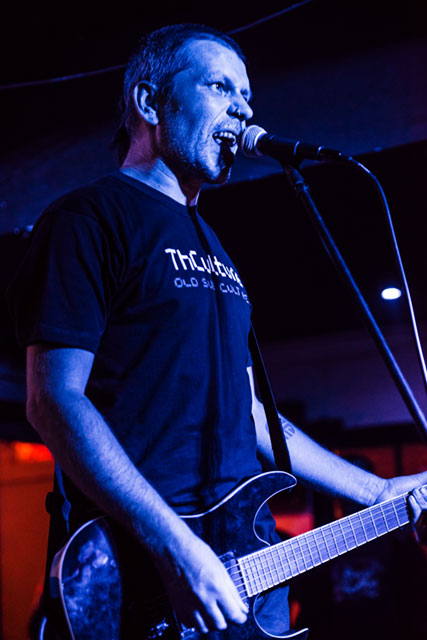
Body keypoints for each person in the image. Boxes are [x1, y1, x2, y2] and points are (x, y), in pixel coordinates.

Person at [6, 23, 427, 639]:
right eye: (220, 87)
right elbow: (53, 400)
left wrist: (380, 491)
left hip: (246, 565)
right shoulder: (88, 219)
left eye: (247, 95)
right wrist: (175, 548)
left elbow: (250, 414)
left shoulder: (218, 250)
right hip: (143, 579)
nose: (245, 110)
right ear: (150, 102)